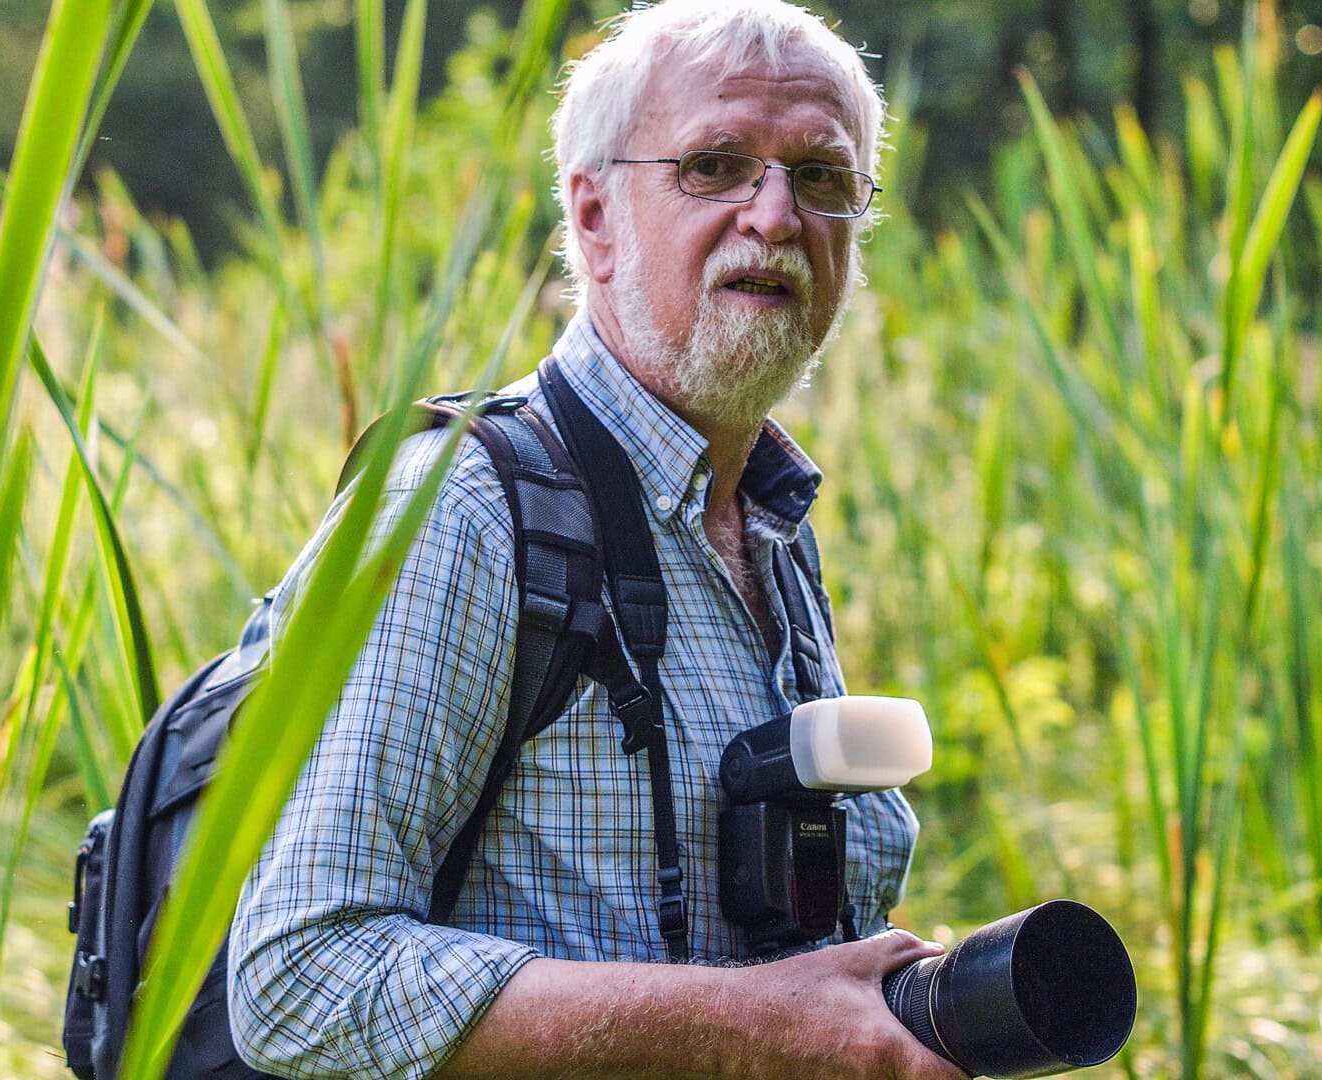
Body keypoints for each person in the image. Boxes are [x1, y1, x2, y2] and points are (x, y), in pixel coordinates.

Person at [229, 2, 963, 1077]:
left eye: (820, 177)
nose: (774, 216)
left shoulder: (767, 524)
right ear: (594, 216)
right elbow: (296, 977)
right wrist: (751, 1030)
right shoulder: (465, 509)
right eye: (714, 165)